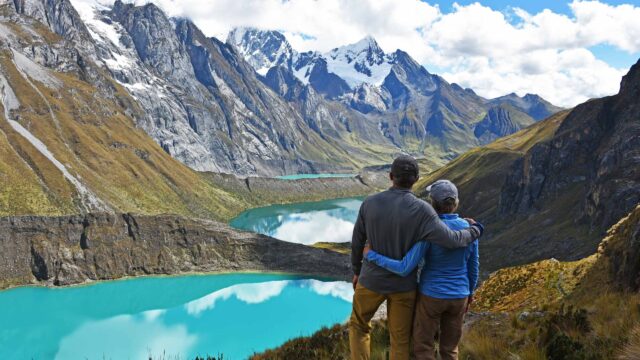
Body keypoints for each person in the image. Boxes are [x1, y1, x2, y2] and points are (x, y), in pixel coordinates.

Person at [349, 156, 483, 360]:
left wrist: (357, 271)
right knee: (401, 340)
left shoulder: (369, 203)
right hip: (405, 286)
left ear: (391, 176)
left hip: (371, 280)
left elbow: (357, 241)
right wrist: (475, 230)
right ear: (417, 179)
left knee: (359, 326)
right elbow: (453, 240)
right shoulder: (424, 210)